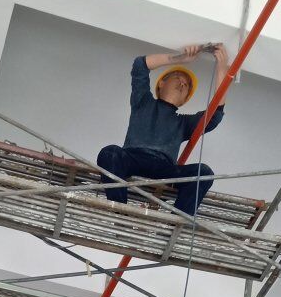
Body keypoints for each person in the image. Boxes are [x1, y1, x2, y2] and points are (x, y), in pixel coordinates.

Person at [97, 43, 229, 218]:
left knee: (203, 173)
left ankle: (175, 224)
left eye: (186, 85)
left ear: (184, 100)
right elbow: (140, 65)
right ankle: (121, 214)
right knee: (110, 153)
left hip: (165, 170)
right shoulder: (143, 102)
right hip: (132, 159)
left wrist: (222, 69)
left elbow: (215, 116)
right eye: (177, 77)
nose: (182, 83)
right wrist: (179, 58)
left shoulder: (183, 122)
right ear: (161, 83)